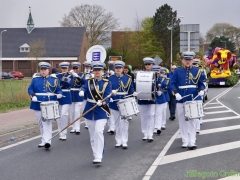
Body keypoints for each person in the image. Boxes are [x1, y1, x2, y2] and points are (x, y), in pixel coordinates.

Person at [170, 51, 205, 150]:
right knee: (182, 120)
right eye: (186, 60)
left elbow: (201, 83)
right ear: (183, 60)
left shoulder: (198, 70)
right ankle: (185, 140)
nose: (188, 61)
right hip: (181, 98)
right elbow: (172, 83)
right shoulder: (177, 71)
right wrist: (175, 93)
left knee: (192, 120)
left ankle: (192, 141)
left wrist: (202, 90)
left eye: (189, 60)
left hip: (193, 98)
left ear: (192, 60)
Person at [79, 61, 112, 164]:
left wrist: (102, 102)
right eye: (95, 70)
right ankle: (95, 154)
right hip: (90, 110)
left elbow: (107, 95)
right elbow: (84, 87)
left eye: (99, 70)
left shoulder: (107, 82)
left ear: (102, 71)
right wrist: (81, 90)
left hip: (101, 110)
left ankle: (99, 155)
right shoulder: (89, 81)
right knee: (92, 134)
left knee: (98, 132)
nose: (97, 72)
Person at [28, 62, 62, 149]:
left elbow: (58, 89)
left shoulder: (53, 79)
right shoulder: (35, 79)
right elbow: (30, 88)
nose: (43, 71)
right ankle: (43, 140)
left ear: (48, 70)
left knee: (47, 122)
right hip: (37, 103)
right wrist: (32, 95)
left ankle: (48, 141)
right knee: (40, 123)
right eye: (41, 69)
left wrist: (59, 94)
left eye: (45, 70)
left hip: (49, 103)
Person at [108, 61, 135, 149]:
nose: (118, 70)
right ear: (114, 69)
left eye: (120, 68)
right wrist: (109, 97)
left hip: (124, 101)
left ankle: (124, 141)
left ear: (123, 69)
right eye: (117, 68)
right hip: (114, 102)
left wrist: (134, 93)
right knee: (117, 122)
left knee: (124, 122)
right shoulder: (110, 78)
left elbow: (131, 89)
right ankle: (118, 140)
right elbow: (108, 89)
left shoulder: (128, 78)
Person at [138, 57, 156, 142]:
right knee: (144, 116)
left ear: (152, 65)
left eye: (149, 64)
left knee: (151, 115)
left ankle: (150, 134)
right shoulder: (140, 74)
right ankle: (145, 133)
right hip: (142, 98)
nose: (147, 66)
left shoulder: (155, 74)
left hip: (152, 98)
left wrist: (159, 91)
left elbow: (159, 84)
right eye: (146, 64)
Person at [56, 62, 74, 140]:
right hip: (58, 96)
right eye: (63, 68)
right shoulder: (57, 75)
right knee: (59, 116)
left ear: (67, 68)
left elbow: (68, 83)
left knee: (64, 114)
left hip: (66, 96)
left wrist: (61, 77)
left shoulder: (71, 76)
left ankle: (64, 132)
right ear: (61, 68)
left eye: (65, 68)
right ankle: (60, 132)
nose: (64, 70)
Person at [69, 62, 85, 134]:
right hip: (71, 95)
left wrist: (77, 77)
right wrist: (69, 76)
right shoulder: (70, 75)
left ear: (79, 68)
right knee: (72, 112)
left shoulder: (82, 75)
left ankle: (77, 127)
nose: (75, 69)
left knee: (77, 112)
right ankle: (73, 127)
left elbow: (84, 82)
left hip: (78, 95)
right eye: (74, 68)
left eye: (76, 68)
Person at [152, 65, 166, 135]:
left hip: (160, 98)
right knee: (153, 114)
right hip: (152, 98)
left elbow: (164, 85)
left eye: (157, 71)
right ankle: (154, 127)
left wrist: (160, 83)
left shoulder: (161, 77)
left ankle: (158, 127)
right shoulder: (150, 78)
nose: (156, 72)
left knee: (159, 113)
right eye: (154, 70)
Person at [81, 61, 94, 130]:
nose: (87, 68)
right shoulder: (83, 74)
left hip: (91, 94)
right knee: (85, 109)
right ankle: (87, 123)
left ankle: (91, 121)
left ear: (91, 67)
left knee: (91, 109)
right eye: (86, 67)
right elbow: (82, 82)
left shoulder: (93, 74)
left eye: (88, 67)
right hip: (84, 94)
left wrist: (91, 77)